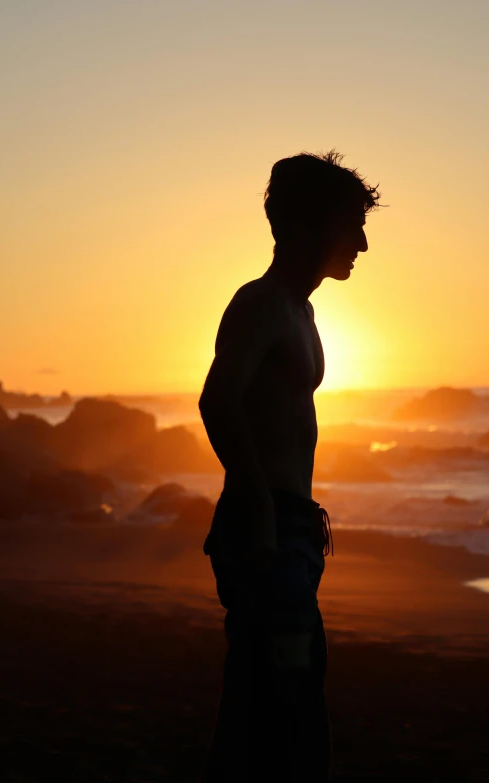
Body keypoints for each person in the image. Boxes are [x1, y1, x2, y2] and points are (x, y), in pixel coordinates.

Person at [197, 150, 381, 782]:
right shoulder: (263, 304)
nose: (361, 242)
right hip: (266, 533)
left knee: (262, 701)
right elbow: (218, 401)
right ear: (302, 227)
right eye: (349, 224)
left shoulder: (301, 311)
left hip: (289, 528)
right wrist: (263, 511)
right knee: (291, 705)